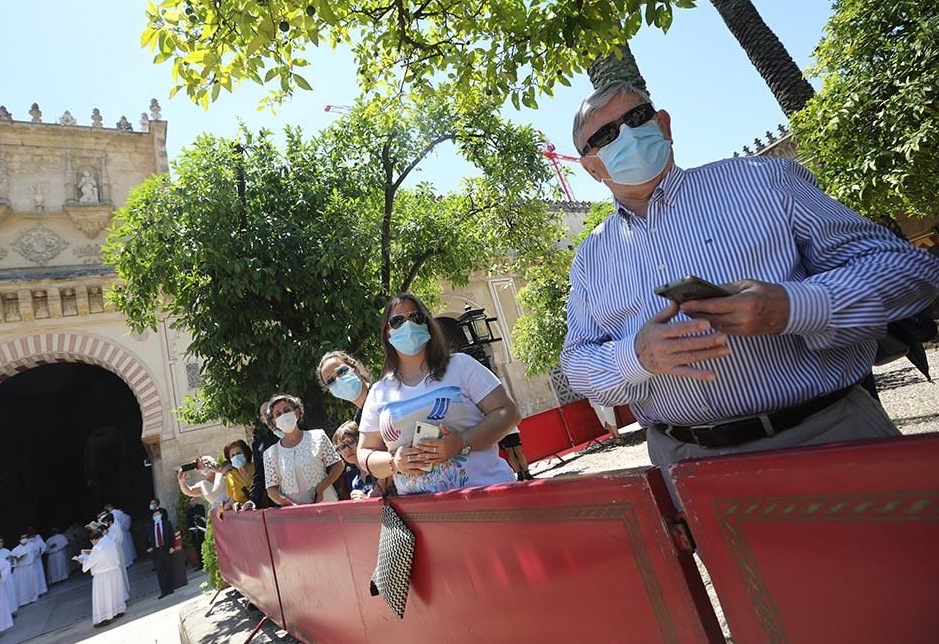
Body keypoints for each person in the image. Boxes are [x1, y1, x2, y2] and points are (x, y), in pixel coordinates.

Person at [560, 81, 939, 487]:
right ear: (593, 168)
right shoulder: (591, 258)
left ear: (663, 125)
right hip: (689, 466)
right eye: (606, 135)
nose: (629, 135)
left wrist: (794, 307)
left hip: (828, 437)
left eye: (636, 118)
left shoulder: (764, 182)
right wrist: (636, 357)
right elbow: (577, 363)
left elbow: (909, 271)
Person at [357, 293, 521, 494]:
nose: (408, 325)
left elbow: (508, 412)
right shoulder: (378, 392)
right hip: (423, 515)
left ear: (427, 324)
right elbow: (365, 452)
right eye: (397, 321)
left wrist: (461, 443)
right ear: (387, 333)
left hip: (487, 494)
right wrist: (393, 462)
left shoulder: (461, 365)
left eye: (416, 318)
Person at [263, 394, 344, 506]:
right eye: (278, 414)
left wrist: (321, 488)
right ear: (273, 421)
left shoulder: (318, 436)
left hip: (326, 505)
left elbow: (338, 465)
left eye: (287, 410)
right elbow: (271, 490)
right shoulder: (270, 454)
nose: (284, 415)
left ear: (296, 412)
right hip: (294, 515)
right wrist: (291, 505)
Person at [75, 527, 126, 628]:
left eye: (92, 542)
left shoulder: (97, 547)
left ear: (94, 540)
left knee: (101, 597)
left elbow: (90, 562)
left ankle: (101, 619)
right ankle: (118, 610)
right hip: (114, 571)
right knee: (114, 593)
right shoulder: (109, 541)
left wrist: (82, 561)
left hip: (102, 575)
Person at [332, 421, 390, 499]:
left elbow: (380, 494)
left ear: (363, 440)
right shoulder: (351, 477)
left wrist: (365, 498)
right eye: (341, 448)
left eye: (351, 443)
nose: (346, 450)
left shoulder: (379, 464)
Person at [316, 350, 374, 425]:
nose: (338, 380)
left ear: (355, 368)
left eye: (341, 371)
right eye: (330, 381)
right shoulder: (360, 421)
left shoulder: (384, 391)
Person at [245, 402, 278, 510]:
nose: (269, 414)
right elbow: (260, 473)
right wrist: (253, 500)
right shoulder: (260, 444)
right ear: (262, 419)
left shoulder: (299, 431)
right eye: (265, 413)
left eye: (271, 409)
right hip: (279, 499)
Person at [215, 440, 255, 516]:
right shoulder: (230, 475)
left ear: (246, 454)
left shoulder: (256, 468)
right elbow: (232, 499)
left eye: (238, 454)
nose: (236, 457)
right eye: (233, 455)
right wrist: (222, 507)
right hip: (245, 515)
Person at [144, 505, 176, 599]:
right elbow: (145, 538)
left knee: (169, 569)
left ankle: (170, 588)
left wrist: (172, 547)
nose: (156, 516)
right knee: (160, 572)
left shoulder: (167, 524)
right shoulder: (150, 527)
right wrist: (148, 548)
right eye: (155, 515)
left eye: (158, 514)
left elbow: (171, 536)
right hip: (156, 551)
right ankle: (163, 591)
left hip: (166, 549)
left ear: (161, 515)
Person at [8, 536, 36, 607]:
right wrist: (17, 560)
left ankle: (32, 597)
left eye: (25, 537)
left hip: (29, 566)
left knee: (31, 583)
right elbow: (12, 561)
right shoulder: (15, 549)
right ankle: (22, 601)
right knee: (21, 586)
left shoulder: (32, 545)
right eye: (22, 538)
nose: (23, 539)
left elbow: (37, 552)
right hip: (20, 568)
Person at [24, 530, 47, 599]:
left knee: (39, 575)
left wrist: (40, 552)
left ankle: (41, 590)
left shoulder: (38, 539)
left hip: (37, 560)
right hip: (30, 562)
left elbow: (43, 547)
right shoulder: (27, 542)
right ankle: (35, 592)